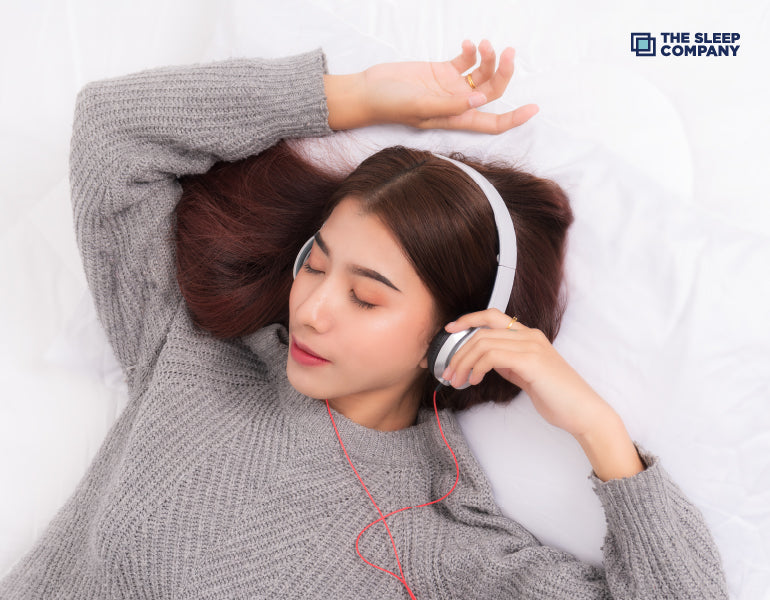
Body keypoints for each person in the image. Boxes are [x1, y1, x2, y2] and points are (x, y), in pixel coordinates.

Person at [0, 39, 728, 599]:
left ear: (454, 335)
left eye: (367, 296)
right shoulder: (198, 355)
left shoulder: (439, 536)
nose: (313, 310)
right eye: (314, 265)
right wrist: (356, 96)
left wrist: (599, 430)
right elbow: (113, 131)